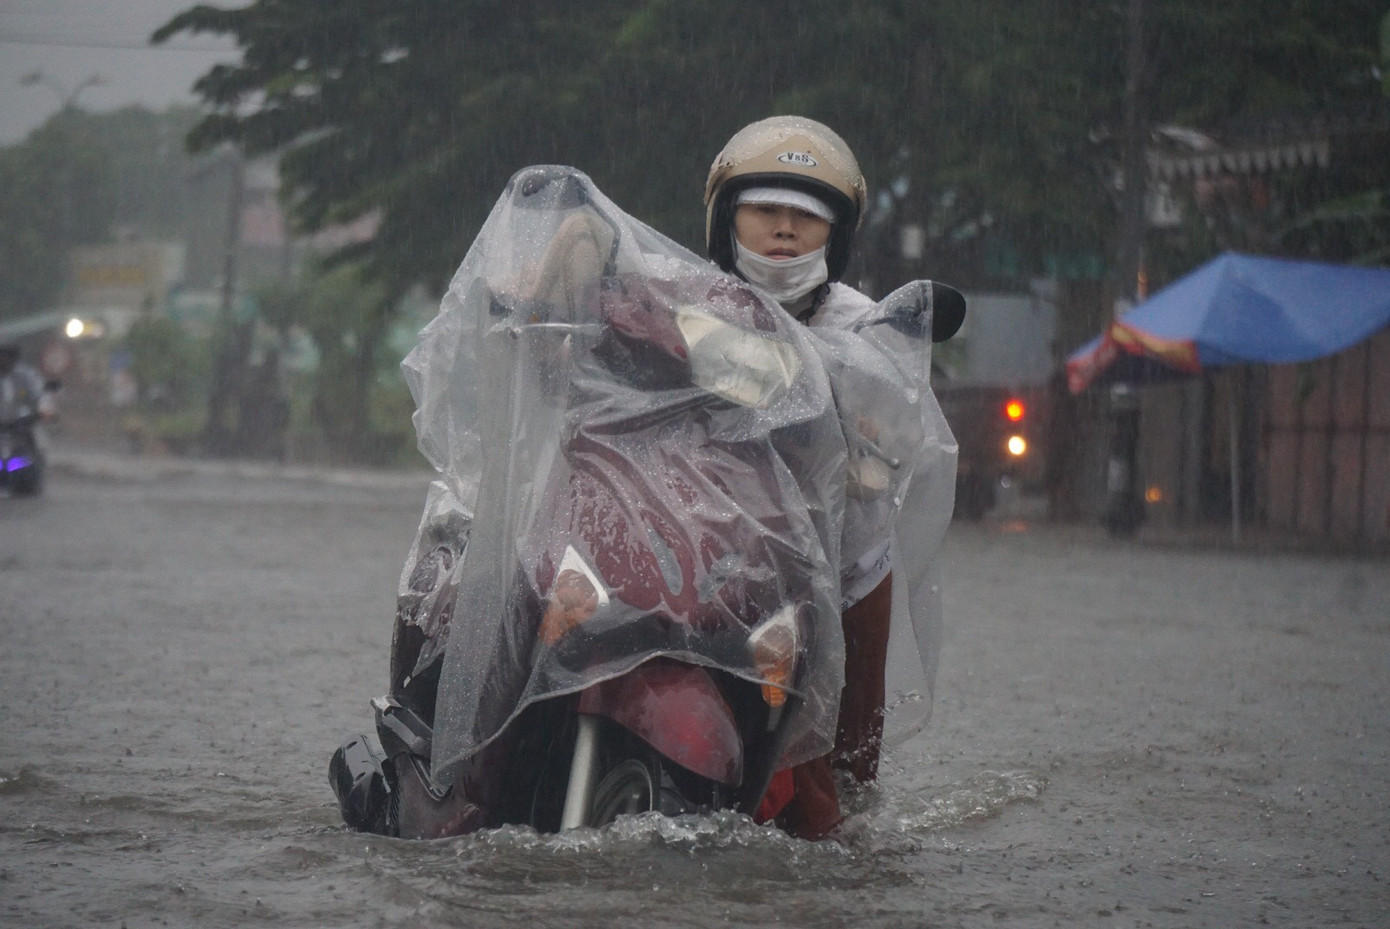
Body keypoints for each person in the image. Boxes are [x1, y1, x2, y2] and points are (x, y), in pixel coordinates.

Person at [703, 116, 921, 837]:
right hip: (706, 541)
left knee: (839, 785)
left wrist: (870, 442)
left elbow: (897, 425)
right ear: (727, 220)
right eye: (766, 209)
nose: (785, 229)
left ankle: (838, 839)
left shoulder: (866, 328)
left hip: (834, 560)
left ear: (838, 234)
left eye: (807, 215)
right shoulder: (684, 301)